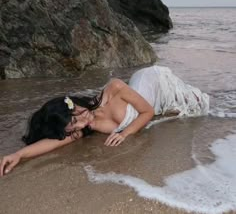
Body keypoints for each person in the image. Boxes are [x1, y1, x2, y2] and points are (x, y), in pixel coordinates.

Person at [0, 65, 209, 176]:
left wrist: (124, 133)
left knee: (201, 104)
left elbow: (147, 111)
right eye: (74, 127)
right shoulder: (85, 126)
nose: (81, 123)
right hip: (146, 97)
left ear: (72, 103)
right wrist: (18, 154)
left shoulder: (115, 88)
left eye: (76, 117)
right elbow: (54, 143)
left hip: (154, 82)